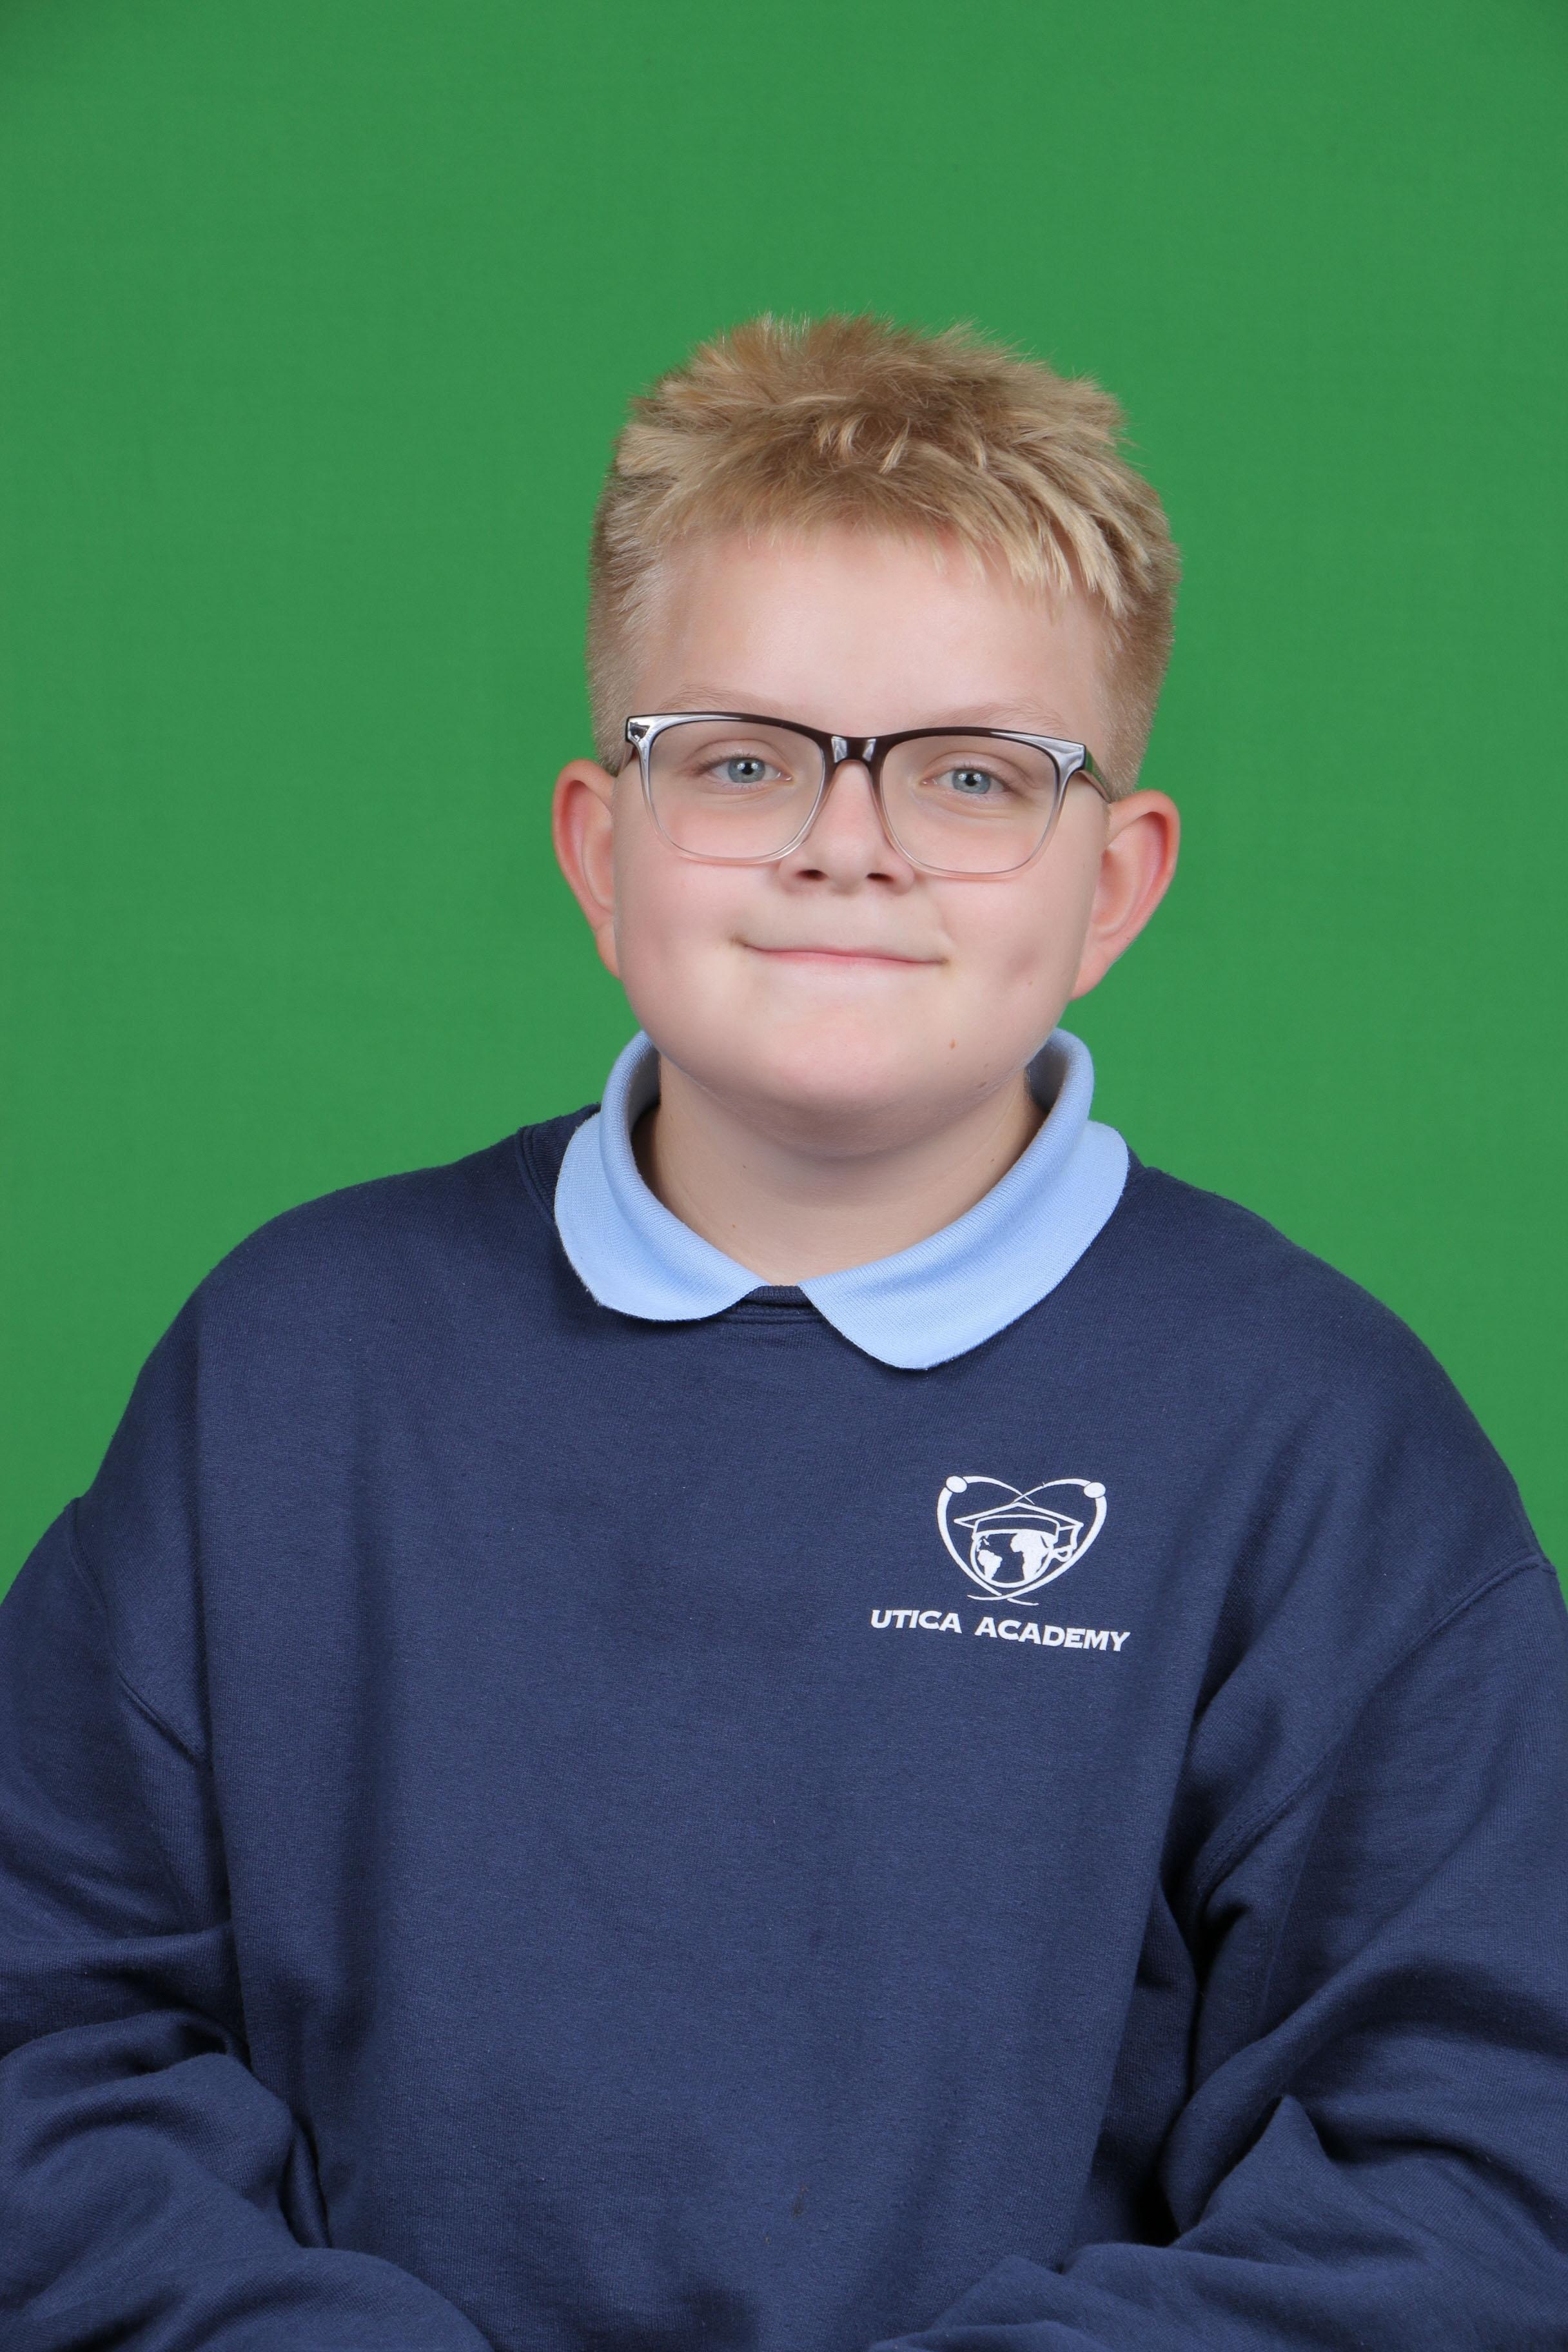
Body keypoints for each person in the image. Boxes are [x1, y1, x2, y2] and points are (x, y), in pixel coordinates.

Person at [1, 313, 1565, 2351]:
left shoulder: (1323, 1445)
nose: (849, 840)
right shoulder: (290, 1369)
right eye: (742, 760)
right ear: (600, 845)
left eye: (975, 774)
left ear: (1116, 886)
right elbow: (44, 2034)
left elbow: (1470, 2168)